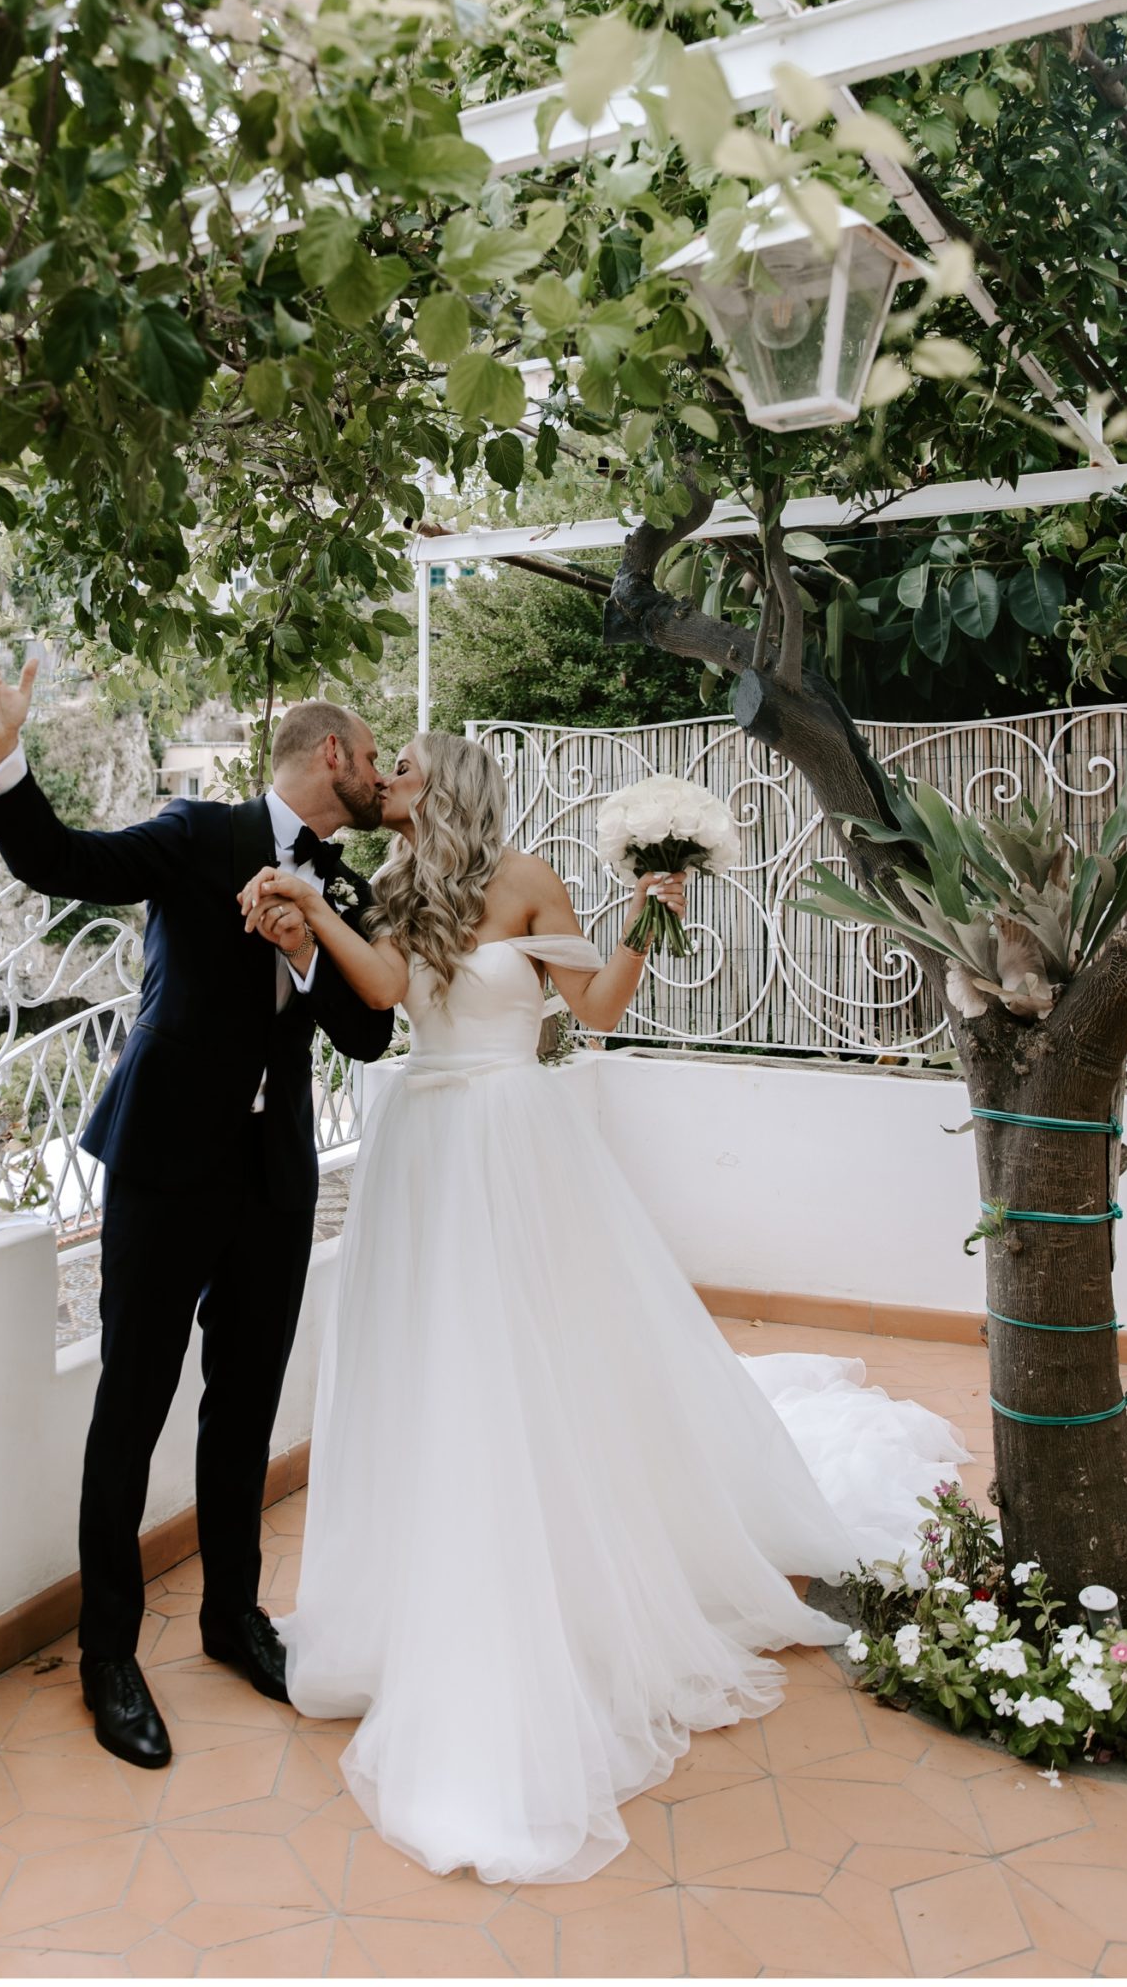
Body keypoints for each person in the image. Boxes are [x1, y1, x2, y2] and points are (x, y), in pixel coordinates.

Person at [241, 730, 970, 1887]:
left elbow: (604, 1010)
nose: (388, 781)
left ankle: (546, 1583)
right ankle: (419, 1600)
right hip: (418, 1147)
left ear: (456, 785)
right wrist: (308, 919)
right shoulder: (384, 888)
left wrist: (649, 915)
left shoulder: (526, 879)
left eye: (408, 768)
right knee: (427, 1373)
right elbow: (379, 995)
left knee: (523, 1367)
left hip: (510, 1144)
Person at [0, 630, 394, 1771]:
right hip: (164, 1162)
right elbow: (64, 862)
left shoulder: (346, 881)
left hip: (276, 1176)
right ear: (333, 750)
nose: (383, 777)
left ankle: (232, 1617)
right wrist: (7, 761)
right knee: (133, 1405)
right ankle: (110, 1657)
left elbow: (367, 1029)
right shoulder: (202, 831)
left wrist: (308, 946)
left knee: (245, 1402)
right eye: (375, 757)